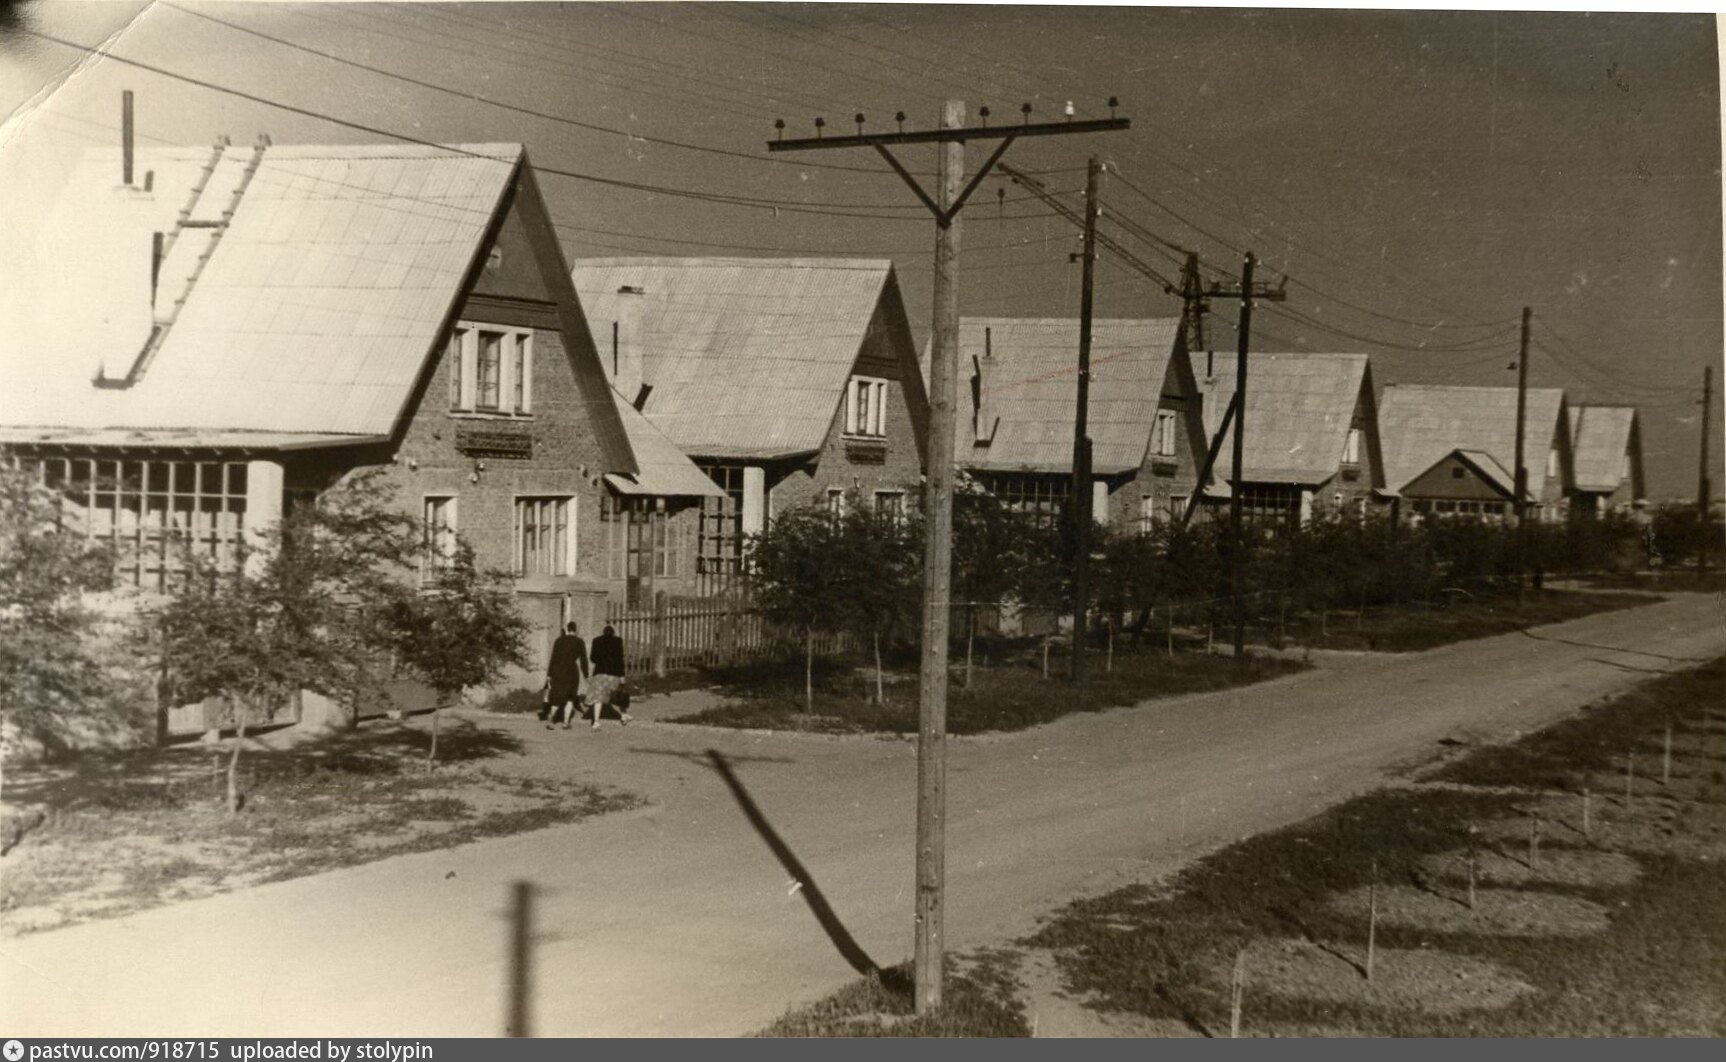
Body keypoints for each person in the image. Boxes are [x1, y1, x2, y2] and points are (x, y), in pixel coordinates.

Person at [584, 623, 630, 728]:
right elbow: (620, 659)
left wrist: (601, 660)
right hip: (614, 673)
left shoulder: (596, 640)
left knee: (598, 698)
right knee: (619, 694)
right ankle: (624, 715)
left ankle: (596, 722)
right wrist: (622, 676)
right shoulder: (618, 641)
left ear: (603, 632)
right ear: (613, 633)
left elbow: (593, 658)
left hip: (599, 673)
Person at [544, 621, 589, 730]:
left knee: (557, 696)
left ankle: (551, 718)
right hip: (571, 672)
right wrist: (586, 674)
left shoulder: (558, 641)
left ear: (567, 629)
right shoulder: (579, 642)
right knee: (570, 697)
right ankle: (565, 722)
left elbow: (553, 658)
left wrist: (549, 674)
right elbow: (583, 659)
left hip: (557, 672)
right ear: (576, 630)